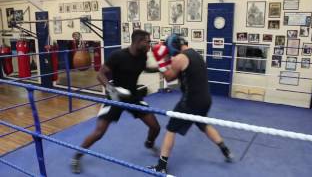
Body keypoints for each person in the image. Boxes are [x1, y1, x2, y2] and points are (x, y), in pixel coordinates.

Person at [71, 30, 161, 174]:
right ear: (138, 42)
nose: (149, 44)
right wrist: (111, 90)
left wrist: (160, 69)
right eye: (147, 41)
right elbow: (100, 74)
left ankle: (149, 144)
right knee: (99, 132)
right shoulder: (118, 56)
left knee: (155, 127)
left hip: (133, 97)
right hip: (115, 97)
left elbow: (144, 68)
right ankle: (77, 156)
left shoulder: (142, 56)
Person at [148, 34, 233, 173]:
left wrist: (161, 60)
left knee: (171, 129)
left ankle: (161, 166)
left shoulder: (181, 58)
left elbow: (169, 78)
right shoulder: (196, 54)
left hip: (190, 101)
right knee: (203, 124)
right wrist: (166, 58)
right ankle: (225, 150)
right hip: (205, 99)